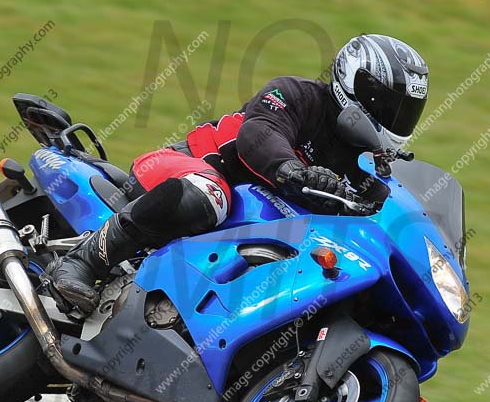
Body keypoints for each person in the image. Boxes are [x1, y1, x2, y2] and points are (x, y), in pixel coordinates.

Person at [44, 34, 429, 315]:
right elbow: (259, 134)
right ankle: (83, 260)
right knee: (212, 196)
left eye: (407, 110)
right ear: (356, 84)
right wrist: (292, 170)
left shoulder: (364, 164)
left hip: (245, 225)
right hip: (187, 167)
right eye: (392, 106)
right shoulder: (297, 95)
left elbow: (385, 209)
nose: (396, 119)